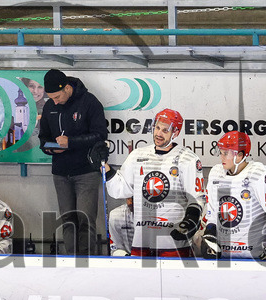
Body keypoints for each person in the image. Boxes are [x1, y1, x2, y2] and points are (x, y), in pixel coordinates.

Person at [103, 108, 204, 257]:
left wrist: (191, 220)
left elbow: (197, 197)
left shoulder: (188, 159)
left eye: (165, 130)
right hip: (142, 241)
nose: (158, 134)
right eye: (157, 128)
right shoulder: (137, 155)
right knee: (141, 280)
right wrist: (106, 169)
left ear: (175, 133)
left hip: (173, 242)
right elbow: (121, 189)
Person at [38, 68, 107, 256]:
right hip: (61, 173)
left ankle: (86, 261)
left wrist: (71, 142)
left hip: (86, 171)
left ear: (67, 88)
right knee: (67, 220)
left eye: (58, 97)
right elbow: (43, 138)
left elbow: (101, 135)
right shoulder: (50, 106)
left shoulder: (89, 102)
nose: (55, 101)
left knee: (85, 219)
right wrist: (49, 147)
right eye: (51, 98)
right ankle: (70, 260)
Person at [202, 131, 266, 260]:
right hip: (225, 255)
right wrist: (210, 234)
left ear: (240, 155)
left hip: (256, 254)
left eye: (226, 153)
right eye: (221, 152)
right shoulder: (216, 173)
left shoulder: (258, 173)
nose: (221, 157)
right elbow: (212, 211)